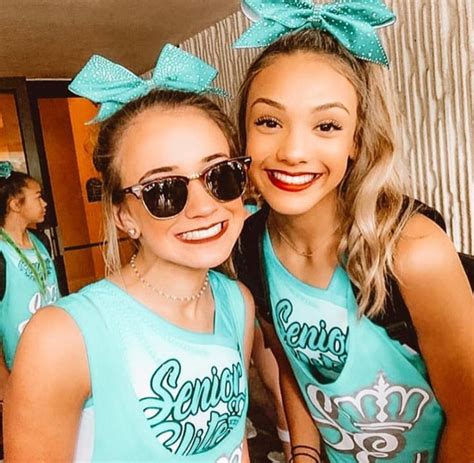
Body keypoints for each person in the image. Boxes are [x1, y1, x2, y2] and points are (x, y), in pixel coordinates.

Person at [232, 1, 474, 462]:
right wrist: (304, 453)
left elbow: (472, 414)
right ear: (244, 132)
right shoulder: (248, 246)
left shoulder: (413, 251)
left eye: (326, 125)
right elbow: (290, 367)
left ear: (356, 140)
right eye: (269, 121)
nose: (294, 151)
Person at [4, 45, 254, 462]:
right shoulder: (61, 339)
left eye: (220, 175)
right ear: (124, 217)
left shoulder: (235, 302)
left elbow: (233, 444)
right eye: (164, 190)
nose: (204, 206)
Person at [0, 162, 59, 394]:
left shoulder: (40, 241)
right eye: (37, 197)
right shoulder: (2, 254)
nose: (44, 203)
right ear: (15, 204)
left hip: (60, 356)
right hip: (25, 372)